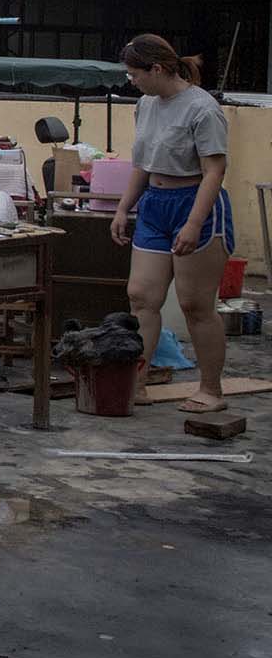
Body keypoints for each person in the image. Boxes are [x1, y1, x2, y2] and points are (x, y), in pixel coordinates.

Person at [111, 33, 231, 413]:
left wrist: (194, 224)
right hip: (154, 204)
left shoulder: (202, 109)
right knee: (142, 297)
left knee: (195, 303)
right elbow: (142, 164)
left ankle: (211, 389)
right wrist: (123, 208)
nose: (132, 81)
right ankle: (137, 382)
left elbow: (215, 170)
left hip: (194, 202)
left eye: (135, 74)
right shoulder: (146, 105)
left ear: (157, 69)